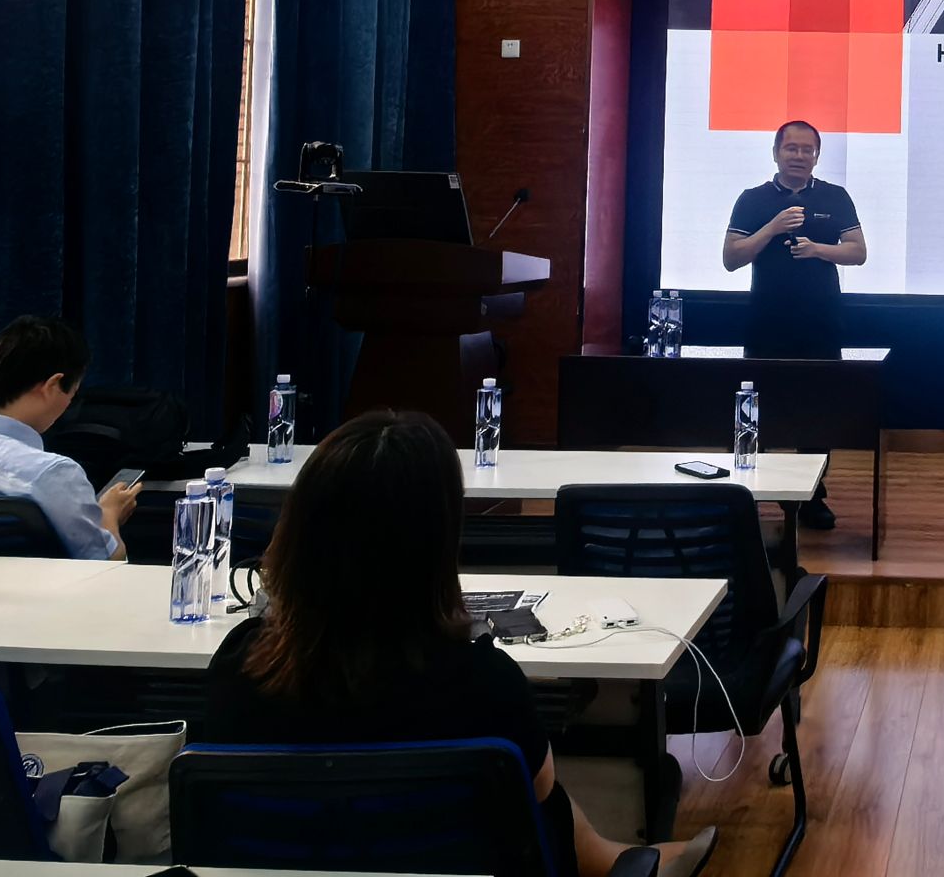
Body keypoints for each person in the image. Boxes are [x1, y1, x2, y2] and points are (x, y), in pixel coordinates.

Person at [203, 410, 716, 877]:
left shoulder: (238, 668)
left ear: (298, 531)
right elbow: (540, 795)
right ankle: (617, 861)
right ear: (436, 546)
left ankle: (611, 857)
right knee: (540, 798)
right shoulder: (485, 683)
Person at [722, 119, 865, 531]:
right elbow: (731, 258)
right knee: (757, 413)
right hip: (766, 322)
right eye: (791, 148)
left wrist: (818, 249)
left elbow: (858, 252)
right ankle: (749, 495)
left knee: (817, 412)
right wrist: (773, 227)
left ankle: (812, 495)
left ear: (816, 156)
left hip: (821, 322)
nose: (799, 156)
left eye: (807, 150)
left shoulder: (835, 197)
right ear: (776, 153)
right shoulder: (753, 199)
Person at [0, 316, 137, 559]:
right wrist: (109, 514)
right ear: (53, 385)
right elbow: (105, 562)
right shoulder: (52, 473)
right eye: (72, 394)